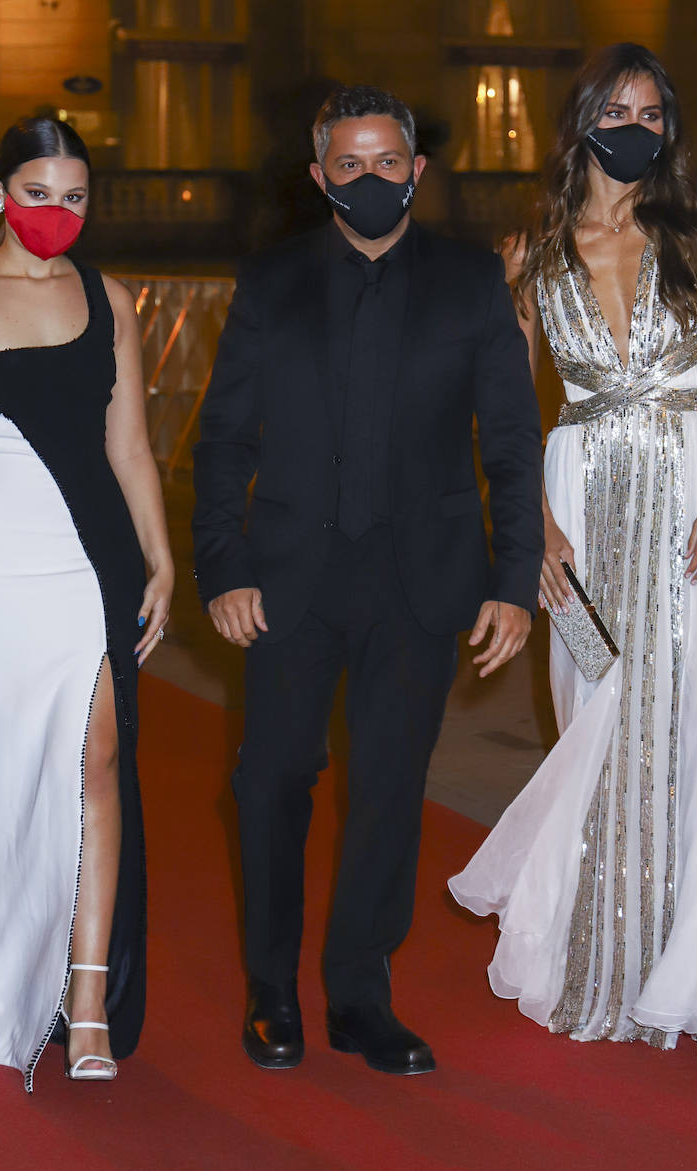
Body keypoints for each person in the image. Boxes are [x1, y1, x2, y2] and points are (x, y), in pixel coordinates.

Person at [192, 84, 543, 1075]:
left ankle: (357, 996)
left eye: (388, 162)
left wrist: (512, 579)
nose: (370, 180)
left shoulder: (473, 281)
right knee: (270, 785)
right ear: (319, 177)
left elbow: (511, 441)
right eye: (348, 165)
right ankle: (271, 990)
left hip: (421, 580)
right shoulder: (270, 282)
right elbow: (222, 434)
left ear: (416, 170)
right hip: (288, 579)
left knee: (389, 790)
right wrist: (221, 562)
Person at [449, 43, 697, 1071]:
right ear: (582, 119)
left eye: (652, 111)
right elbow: (500, 410)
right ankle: (598, 957)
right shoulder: (534, 253)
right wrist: (535, 526)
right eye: (616, 109)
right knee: (596, 722)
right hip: (580, 502)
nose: (634, 127)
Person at [0, 116, 173, 1090]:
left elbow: (131, 445)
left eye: (77, 196)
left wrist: (161, 557)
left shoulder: (111, 299)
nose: (58, 213)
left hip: (92, 568)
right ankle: (14, 976)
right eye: (39, 192)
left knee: (97, 763)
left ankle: (85, 1002)